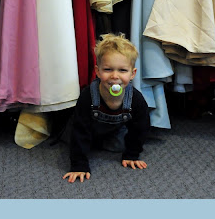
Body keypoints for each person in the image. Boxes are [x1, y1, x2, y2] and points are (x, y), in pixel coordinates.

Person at [62, 33, 150, 183]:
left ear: (132, 73)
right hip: (86, 129)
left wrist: (132, 154)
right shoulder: (88, 96)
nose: (115, 76)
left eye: (122, 70)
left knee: (120, 145)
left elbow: (140, 128)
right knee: (72, 139)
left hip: (114, 131)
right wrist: (79, 165)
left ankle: (101, 143)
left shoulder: (136, 99)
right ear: (98, 71)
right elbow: (80, 129)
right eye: (108, 69)